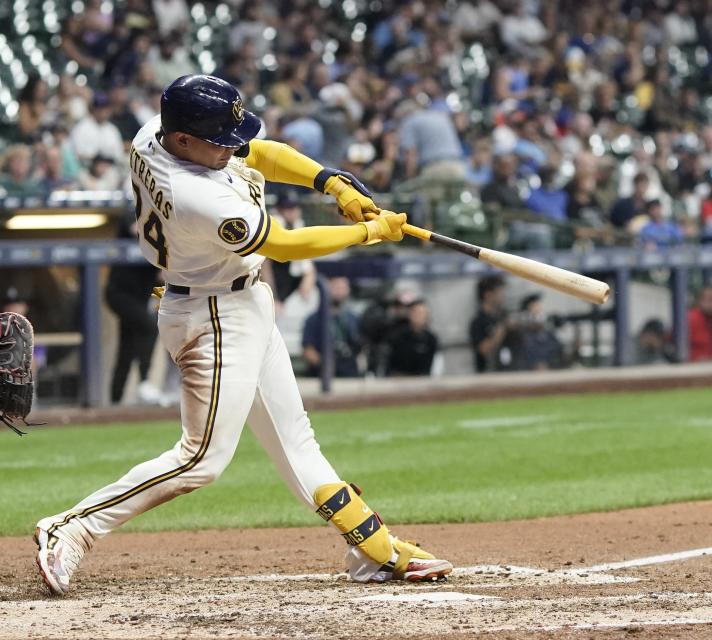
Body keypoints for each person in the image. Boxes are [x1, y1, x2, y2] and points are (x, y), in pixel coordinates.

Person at [34, 75, 451, 596]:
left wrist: (330, 182)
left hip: (242, 300)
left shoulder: (156, 133)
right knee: (201, 458)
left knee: (296, 439)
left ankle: (373, 551)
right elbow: (285, 244)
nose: (231, 146)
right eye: (219, 140)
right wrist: (370, 231)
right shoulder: (197, 196)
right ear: (183, 139)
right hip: (211, 314)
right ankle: (70, 527)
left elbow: (260, 152)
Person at [104, 211, 161, 405]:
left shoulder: (160, 240)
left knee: (126, 349)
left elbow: (163, 274)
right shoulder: (133, 211)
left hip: (139, 298)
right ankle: (144, 381)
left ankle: (115, 400)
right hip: (118, 294)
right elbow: (134, 228)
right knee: (150, 326)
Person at [301, 277, 362, 379]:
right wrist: (324, 364)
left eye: (343, 287)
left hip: (349, 370)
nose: (339, 292)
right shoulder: (314, 319)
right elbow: (308, 350)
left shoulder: (353, 318)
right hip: (322, 371)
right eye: (336, 287)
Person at [509, 293, 563, 371]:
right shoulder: (521, 336)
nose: (539, 312)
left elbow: (557, 353)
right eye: (534, 308)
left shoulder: (548, 334)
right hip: (528, 374)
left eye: (539, 307)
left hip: (551, 372)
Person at [386, 299, 438, 376]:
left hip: (423, 380)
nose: (419, 316)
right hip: (400, 379)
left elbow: (433, 364)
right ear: (410, 314)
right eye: (416, 312)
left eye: (422, 313)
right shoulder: (398, 336)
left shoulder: (431, 339)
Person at [470, 275, 508, 373]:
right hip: (488, 376)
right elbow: (483, 350)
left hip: (506, 372)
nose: (502, 295)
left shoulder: (501, 316)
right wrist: (500, 332)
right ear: (488, 295)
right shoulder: (477, 322)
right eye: (499, 292)